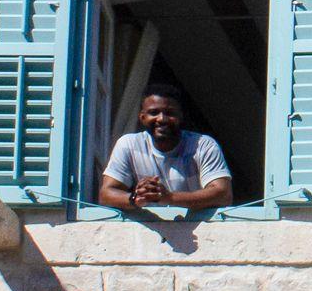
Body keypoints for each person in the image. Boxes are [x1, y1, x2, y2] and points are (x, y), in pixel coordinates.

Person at [97, 84, 234, 211]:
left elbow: (223, 194)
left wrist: (170, 198)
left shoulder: (203, 145)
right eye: (154, 112)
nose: (161, 119)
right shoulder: (128, 144)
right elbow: (106, 194)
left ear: (181, 116)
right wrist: (136, 198)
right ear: (142, 117)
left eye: (170, 113)